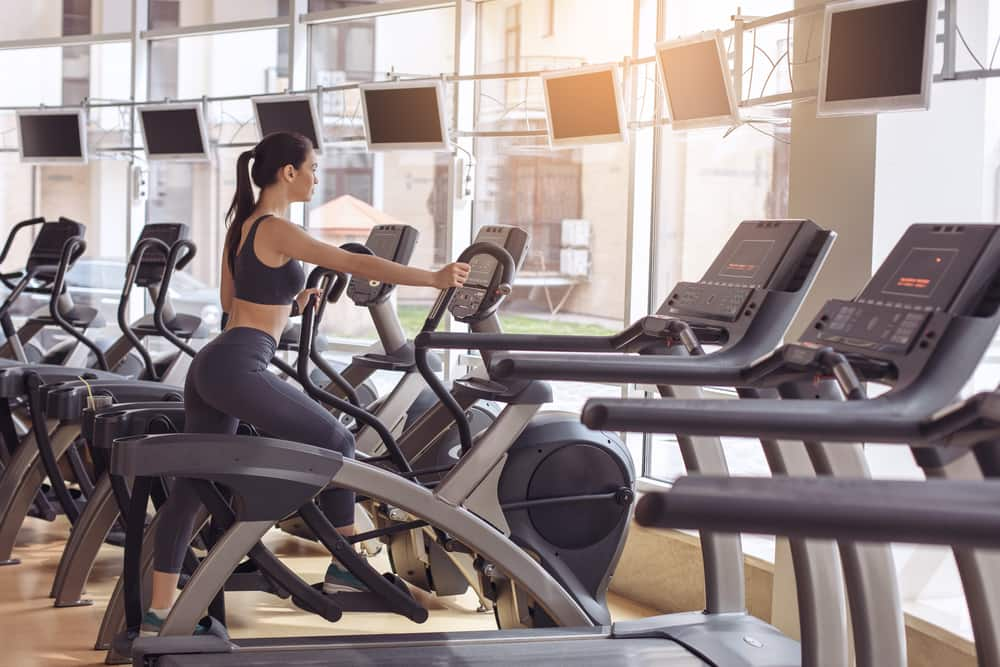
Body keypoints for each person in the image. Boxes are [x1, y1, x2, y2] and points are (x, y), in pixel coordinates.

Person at [143, 131, 470, 633]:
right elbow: (354, 262)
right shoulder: (276, 226)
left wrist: (291, 303)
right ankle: (346, 570)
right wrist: (434, 278)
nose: (317, 177)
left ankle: (159, 610)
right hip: (240, 362)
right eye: (313, 167)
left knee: (192, 487)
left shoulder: (243, 226)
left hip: (216, 360)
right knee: (337, 439)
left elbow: (235, 304)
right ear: (288, 172)